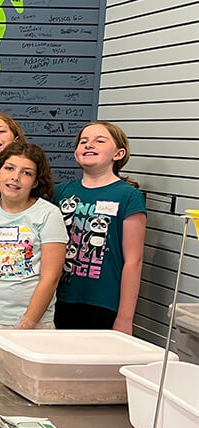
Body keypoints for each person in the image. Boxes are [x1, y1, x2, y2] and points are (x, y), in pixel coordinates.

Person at [0, 141, 67, 341]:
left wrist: (27, 325)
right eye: (9, 168)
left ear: (36, 182)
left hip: (33, 323)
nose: (15, 177)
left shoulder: (48, 214)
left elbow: (51, 277)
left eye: (27, 173)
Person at [54, 122, 146, 333]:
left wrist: (125, 317)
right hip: (59, 297)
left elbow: (134, 261)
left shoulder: (128, 196)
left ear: (119, 153)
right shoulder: (61, 192)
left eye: (100, 141)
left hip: (103, 303)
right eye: (83, 141)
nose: (89, 145)